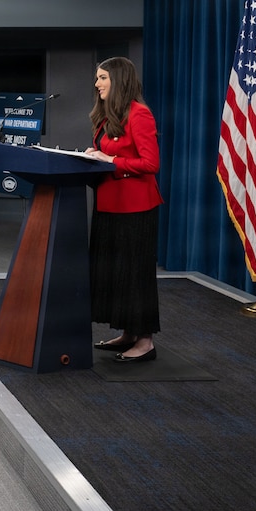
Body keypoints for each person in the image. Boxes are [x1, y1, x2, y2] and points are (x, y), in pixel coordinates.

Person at [84, 56, 162, 363]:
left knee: (134, 275)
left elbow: (151, 164)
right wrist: (94, 155)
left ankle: (145, 341)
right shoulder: (108, 115)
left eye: (103, 78)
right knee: (115, 274)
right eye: (97, 78)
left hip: (135, 209)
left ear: (119, 80)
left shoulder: (140, 114)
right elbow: (111, 154)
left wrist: (111, 162)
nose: (97, 83)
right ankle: (128, 333)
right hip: (108, 205)